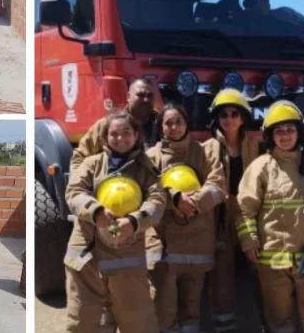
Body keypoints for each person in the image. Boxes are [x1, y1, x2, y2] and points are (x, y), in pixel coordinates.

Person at [235, 100, 304, 333]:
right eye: (279, 131)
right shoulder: (260, 167)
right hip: (271, 263)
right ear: (270, 136)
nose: (285, 136)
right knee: (279, 324)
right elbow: (244, 209)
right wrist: (249, 240)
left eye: (290, 130)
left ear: (299, 132)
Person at [63, 111, 168, 333]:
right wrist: (96, 211)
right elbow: (74, 193)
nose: (120, 138)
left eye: (126, 133)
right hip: (86, 257)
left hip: (127, 256)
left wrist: (134, 221)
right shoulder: (91, 164)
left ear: (136, 135)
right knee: (84, 321)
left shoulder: (146, 168)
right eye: (114, 134)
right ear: (105, 138)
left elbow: (157, 201)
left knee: (139, 322)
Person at [145, 103, 226, 333]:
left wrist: (194, 202)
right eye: (168, 123)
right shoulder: (150, 157)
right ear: (160, 128)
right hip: (163, 241)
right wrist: (174, 200)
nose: (174, 127)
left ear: (186, 123)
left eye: (178, 121)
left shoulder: (204, 152)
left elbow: (217, 186)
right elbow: (148, 190)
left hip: (197, 240)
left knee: (191, 307)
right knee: (163, 304)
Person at [202, 89, 264, 333]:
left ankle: (269, 320)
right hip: (220, 215)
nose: (229, 119)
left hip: (248, 212)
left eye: (234, 113)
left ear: (243, 117)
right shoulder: (208, 147)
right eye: (223, 114)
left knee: (260, 266)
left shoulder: (255, 145)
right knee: (222, 273)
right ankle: (223, 323)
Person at [70, 79, 159, 172]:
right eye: (140, 95)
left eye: (150, 96)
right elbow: (79, 157)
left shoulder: (163, 123)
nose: (146, 100)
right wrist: (79, 181)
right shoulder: (107, 125)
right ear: (128, 96)